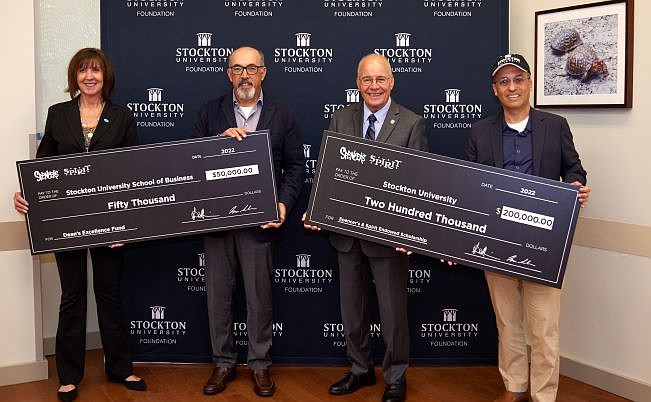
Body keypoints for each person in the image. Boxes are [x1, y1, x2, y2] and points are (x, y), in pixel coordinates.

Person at [13, 48, 146, 402]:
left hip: (109, 223)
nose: (90, 76)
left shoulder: (122, 116)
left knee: (109, 295)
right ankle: (69, 376)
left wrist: (126, 225)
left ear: (106, 77)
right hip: (66, 223)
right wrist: (25, 195)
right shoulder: (58, 115)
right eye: (83, 71)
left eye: (96, 71)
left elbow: (135, 172)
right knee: (71, 297)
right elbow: (41, 168)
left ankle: (120, 368)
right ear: (74, 77)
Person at [465, 53, 591, 402]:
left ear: (530, 83)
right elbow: (470, 185)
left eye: (518, 79)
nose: (512, 86)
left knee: (544, 325)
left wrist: (576, 186)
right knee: (507, 322)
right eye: (504, 81)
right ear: (495, 90)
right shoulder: (480, 131)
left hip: (542, 242)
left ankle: (544, 394)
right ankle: (515, 384)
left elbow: (574, 169)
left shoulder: (555, 125)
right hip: (496, 240)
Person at [305, 53, 427, 402]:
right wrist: (318, 209)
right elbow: (329, 172)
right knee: (352, 309)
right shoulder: (340, 118)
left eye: (380, 80)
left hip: (389, 239)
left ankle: (396, 375)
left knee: (392, 311)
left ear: (391, 82)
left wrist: (409, 231)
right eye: (366, 80)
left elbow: (417, 182)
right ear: (357, 84)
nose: (373, 86)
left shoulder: (412, 123)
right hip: (346, 234)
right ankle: (360, 369)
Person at [192, 46, 304, 397]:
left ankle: (259, 364)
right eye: (238, 68)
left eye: (251, 68)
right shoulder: (210, 113)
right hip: (218, 223)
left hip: (260, 225)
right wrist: (215, 144)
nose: (244, 75)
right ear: (229, 74)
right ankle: (223, 363)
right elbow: (191, 162)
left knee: (259, 297)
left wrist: (284, 205)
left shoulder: (282, 115)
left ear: (263, 73)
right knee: (218, 297)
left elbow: (296, 168)